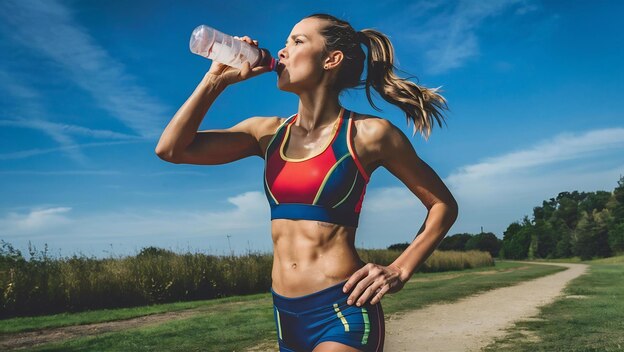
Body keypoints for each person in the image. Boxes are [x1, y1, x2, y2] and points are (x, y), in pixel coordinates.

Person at [156, 13, 458, 352]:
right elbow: (170, 149)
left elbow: (442, 205)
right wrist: (216, 79)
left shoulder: (370, 135)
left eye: (297, 41)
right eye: (285, 43)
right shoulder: (266, 133)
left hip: (343, 309)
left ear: (331, 59)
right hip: (286, 317)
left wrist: (400, 270)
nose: (282, 51)